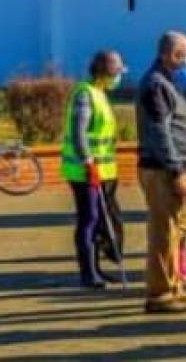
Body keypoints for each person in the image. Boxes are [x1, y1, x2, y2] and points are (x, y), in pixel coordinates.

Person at [137, 31, 186, 314]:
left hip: (181, 166)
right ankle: (160, 292)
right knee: (164, 233)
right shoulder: (155, 84)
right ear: (172, 55)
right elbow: (160, 132)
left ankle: (175, 286)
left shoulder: (171, 82)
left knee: (177, 232)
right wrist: (176, 169)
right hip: (164, 169)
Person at [60, 50, 127, 289]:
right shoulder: (85, 94)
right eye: (117, 72)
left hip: (104, 171)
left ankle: (98, 269)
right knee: (89, 220)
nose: (119, 76)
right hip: (85, 171)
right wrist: (88, 162)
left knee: (103, 220)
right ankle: (88, 273)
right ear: (105, 72)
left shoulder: (99, 92)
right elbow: (79, 133)